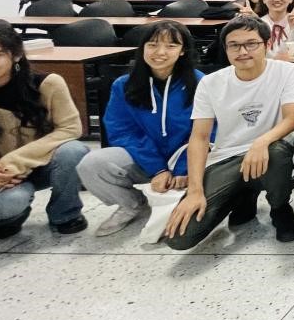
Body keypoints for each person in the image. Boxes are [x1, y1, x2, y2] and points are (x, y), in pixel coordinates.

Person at [163, 17, 294, 248]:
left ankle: (280, 209)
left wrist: (260, 142)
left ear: (267, 45)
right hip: (226, 158)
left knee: (277, 152)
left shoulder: (287, 71)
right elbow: (199, 138)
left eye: (251, 44)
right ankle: (243, 194)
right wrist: (195, 191)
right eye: (234, 45)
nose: (243, 51)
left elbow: (291, 119)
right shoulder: (210, 83)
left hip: (270, 151)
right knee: (180, 238)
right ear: (226, 49)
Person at [78, 21, 204, 237]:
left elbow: (208, 132)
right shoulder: (124, 85)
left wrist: (184, 169)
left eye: (171, 46)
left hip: (191, 160)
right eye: (152, 45)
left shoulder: (201, 83)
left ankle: (182, 196)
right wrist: (158, 169)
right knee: (91, 164)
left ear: (183, 51)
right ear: (142, 47)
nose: (160, 52)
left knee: (178, 228)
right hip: (145, 159)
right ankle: (132, 204)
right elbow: (121, 130)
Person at [0, 20, 89, 244]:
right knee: (9, 204)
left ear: (16, 55)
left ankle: (65, 213)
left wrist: (14, 162)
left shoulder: (48, 84)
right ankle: (6, 219)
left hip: (41, 165)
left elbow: (70, 128)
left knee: (74, 151)